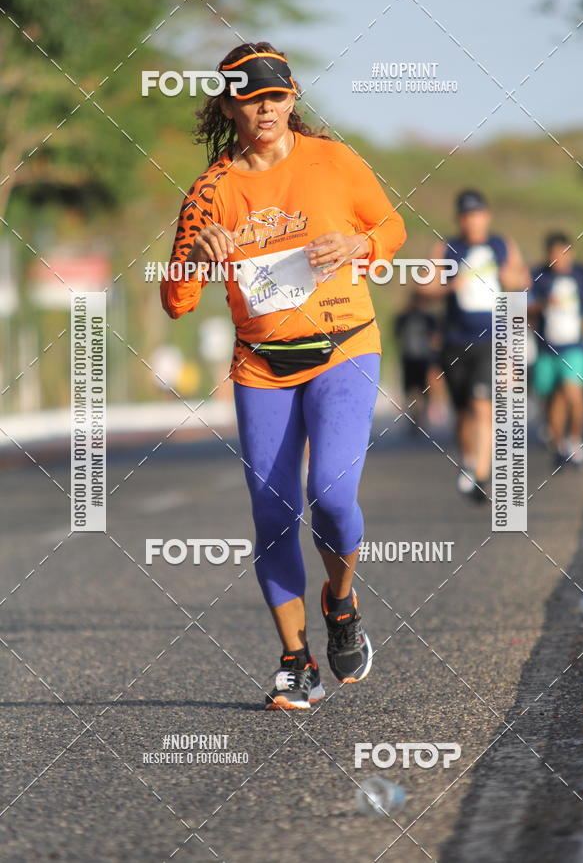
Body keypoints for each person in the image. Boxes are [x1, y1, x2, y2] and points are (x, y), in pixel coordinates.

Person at [160, 42, 406, 710]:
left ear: (292, 98)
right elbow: (175, 302)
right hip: (261, 367)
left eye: (275, 96)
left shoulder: (334, 160)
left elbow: (391, 226)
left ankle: (342, 601)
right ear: (229, 104)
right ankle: (295, 660)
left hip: (344, 348)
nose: (264, 108)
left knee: (330, 496)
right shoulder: (211, 191)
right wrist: (197, 261)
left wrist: (360, 244)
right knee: (273, 514)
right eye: (249, 97)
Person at [424, 189, 529, 502]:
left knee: (484, 405)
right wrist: (447, 284)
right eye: (466, 215)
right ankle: (469, 461)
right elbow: (424, 286)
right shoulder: (447, 247)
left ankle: (483, 476)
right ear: (459, 219)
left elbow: (522, 280)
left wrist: (511, 278)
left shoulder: (501, 244)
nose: (472, 221)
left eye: (477, 214)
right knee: (463, 411)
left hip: (491, 338)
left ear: (487, 216)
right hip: (455, 341)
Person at [529, 232, 583, 466]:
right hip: (547, 347)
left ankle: (575, 440)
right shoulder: (540, 275)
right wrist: (544, 304)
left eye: (563, 253)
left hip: (575, 345)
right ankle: (559, 444)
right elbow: (524, 306)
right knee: (553, 396)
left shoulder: (582, 274)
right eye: (554, 254)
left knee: (573, 392)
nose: (559, 259)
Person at [393, 292, 443, 427]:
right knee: (410, 388)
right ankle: (414, 414)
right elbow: (397, 335)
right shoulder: (404, 317)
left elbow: (435, 337)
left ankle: (421, 414)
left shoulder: (428, 318)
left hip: (423, 357)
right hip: (409, 357)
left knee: (423, 387)